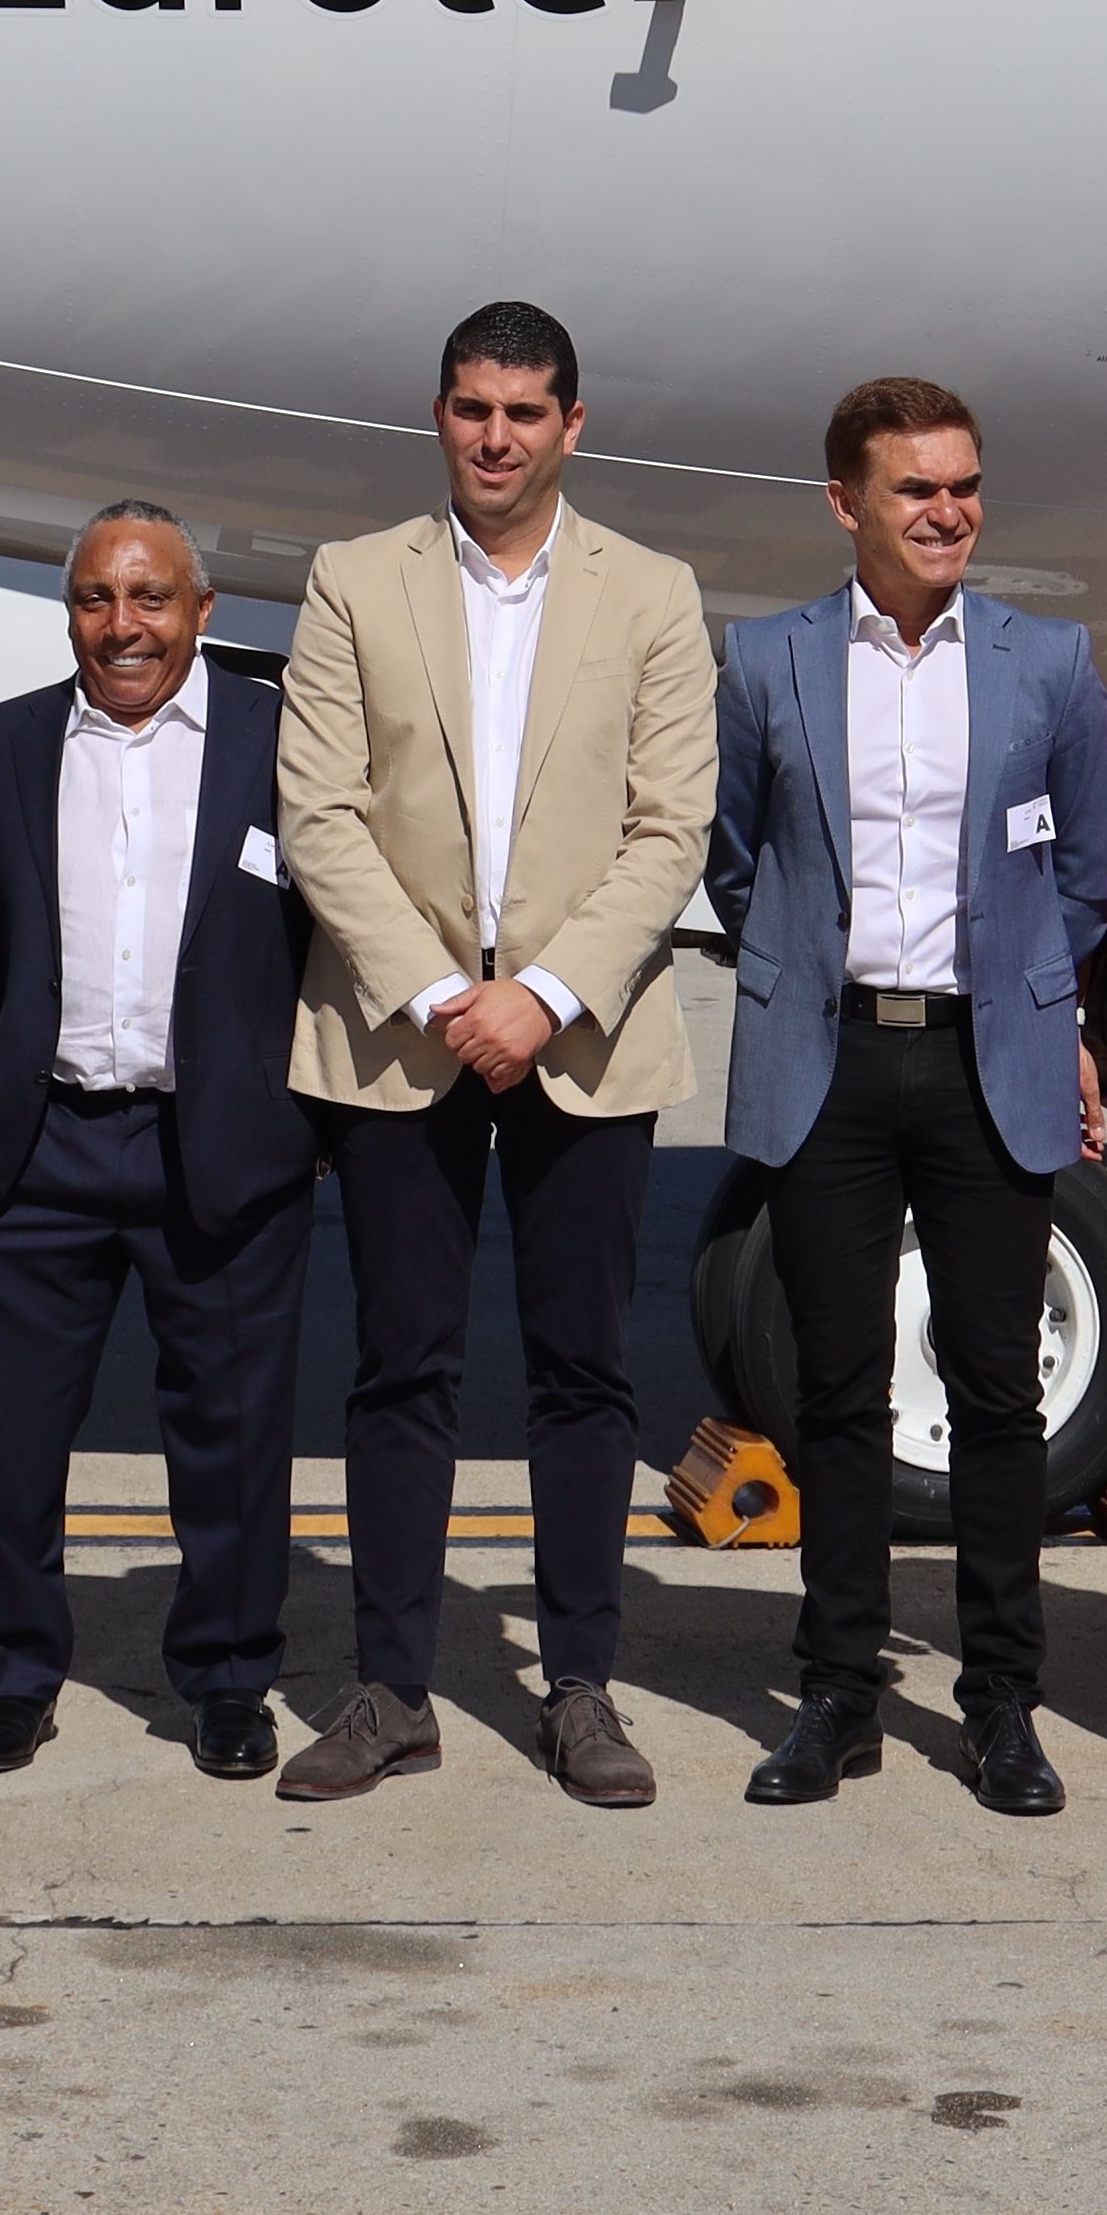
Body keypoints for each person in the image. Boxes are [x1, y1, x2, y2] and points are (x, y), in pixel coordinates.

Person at [274, 300, 715, 1809]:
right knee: (402, 1366)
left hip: (579, 1039)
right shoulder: (353, 580)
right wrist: (439, 995)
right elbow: (317, 810)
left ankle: (579, 1681)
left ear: (572, 423)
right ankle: (392, 1687)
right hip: (400, 1039)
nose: (497, 435)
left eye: (525, 410)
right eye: (471, 407)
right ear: (439, 414)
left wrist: (541, 993)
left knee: (584, 1372)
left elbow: (672, 829)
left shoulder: (653, 593)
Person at [706, 377, 1107, 1817]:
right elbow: (731, 851)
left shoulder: (1047, 660)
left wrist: (1026, 991)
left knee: (998, 1392)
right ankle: (835, 1689)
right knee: (837, 1389)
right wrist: (803, 962)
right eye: (915, 489)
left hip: (978, 1061)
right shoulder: (766, 660)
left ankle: (1003, 1696)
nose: (947, 511)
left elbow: (1086, 867)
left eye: (964, 485)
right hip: (828, 1059)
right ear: (846, 503)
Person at [0, 505, 311, 1783]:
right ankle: (12, 1678)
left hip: (221, 1145)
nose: (122, 625)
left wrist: (288, 1110)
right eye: (97, 599)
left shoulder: (278, 739)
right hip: (40, 1145)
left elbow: (333, 932)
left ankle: (230, 1677)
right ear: (69, 611)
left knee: (235, 1437)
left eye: (151, 598)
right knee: (7, 1438)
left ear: (204, 609)